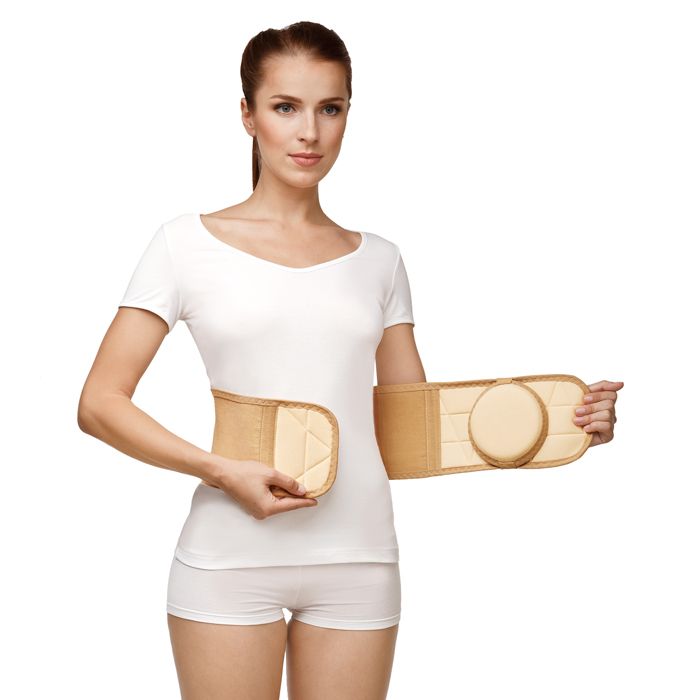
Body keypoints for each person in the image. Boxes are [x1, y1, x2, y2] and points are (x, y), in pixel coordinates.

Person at [77, 20, 623, 700]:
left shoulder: (380, 261)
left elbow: (412, 433)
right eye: (285, 107)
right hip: (229, 558)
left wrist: (569, 422)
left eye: (330, 108)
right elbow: (99, 404)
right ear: (247, 115)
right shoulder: (184, 245)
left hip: (359, 563)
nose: (309, 132)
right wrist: (220, 470)